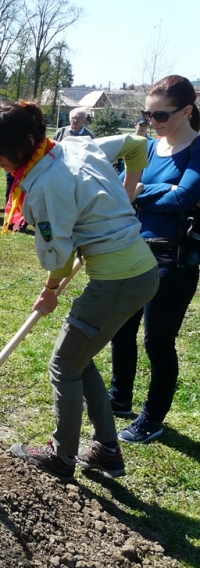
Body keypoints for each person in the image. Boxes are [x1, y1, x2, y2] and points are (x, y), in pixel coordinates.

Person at [0, 100, 158, 480]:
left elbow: (59, 257)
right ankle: (107, 451)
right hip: (139, 271)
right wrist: (127, 189)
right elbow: (135, 146)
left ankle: (61, 457)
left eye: (3, 155)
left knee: (63, 364)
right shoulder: (77, 146)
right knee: (79, 358)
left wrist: (50, 291)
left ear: (27, 141)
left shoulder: (45, 184)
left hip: (117, 281)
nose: (2, 164)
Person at [109, 75, 200, 444]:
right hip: (134, 250)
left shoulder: (197, 149)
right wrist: (155, 190)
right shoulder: (146, 148)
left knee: (157, 342)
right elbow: (119, 187)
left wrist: (141, 190)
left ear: (187, 111)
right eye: (148, 115)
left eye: (160, 115)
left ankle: (152, 419)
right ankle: (120, 398)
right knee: (121, 330)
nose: (152, 122)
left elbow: (184, 198)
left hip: (173, 258)